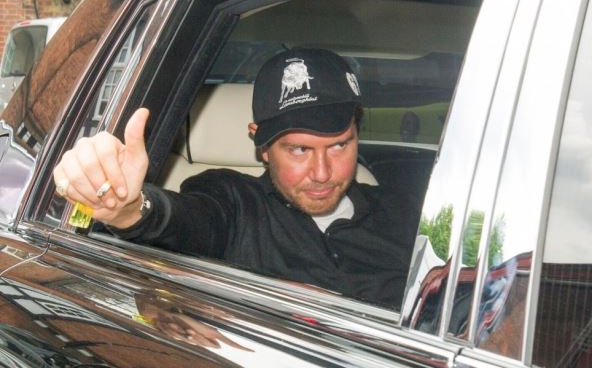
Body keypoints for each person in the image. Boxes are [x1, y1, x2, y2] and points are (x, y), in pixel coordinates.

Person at [53, 48, 419, 309]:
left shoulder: (407, 214)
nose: (322, 173)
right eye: (299, 150)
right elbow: (189, 220)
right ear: (262, 145)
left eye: (339, 145)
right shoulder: (233, 203)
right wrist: (130, 209)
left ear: (357, 134)